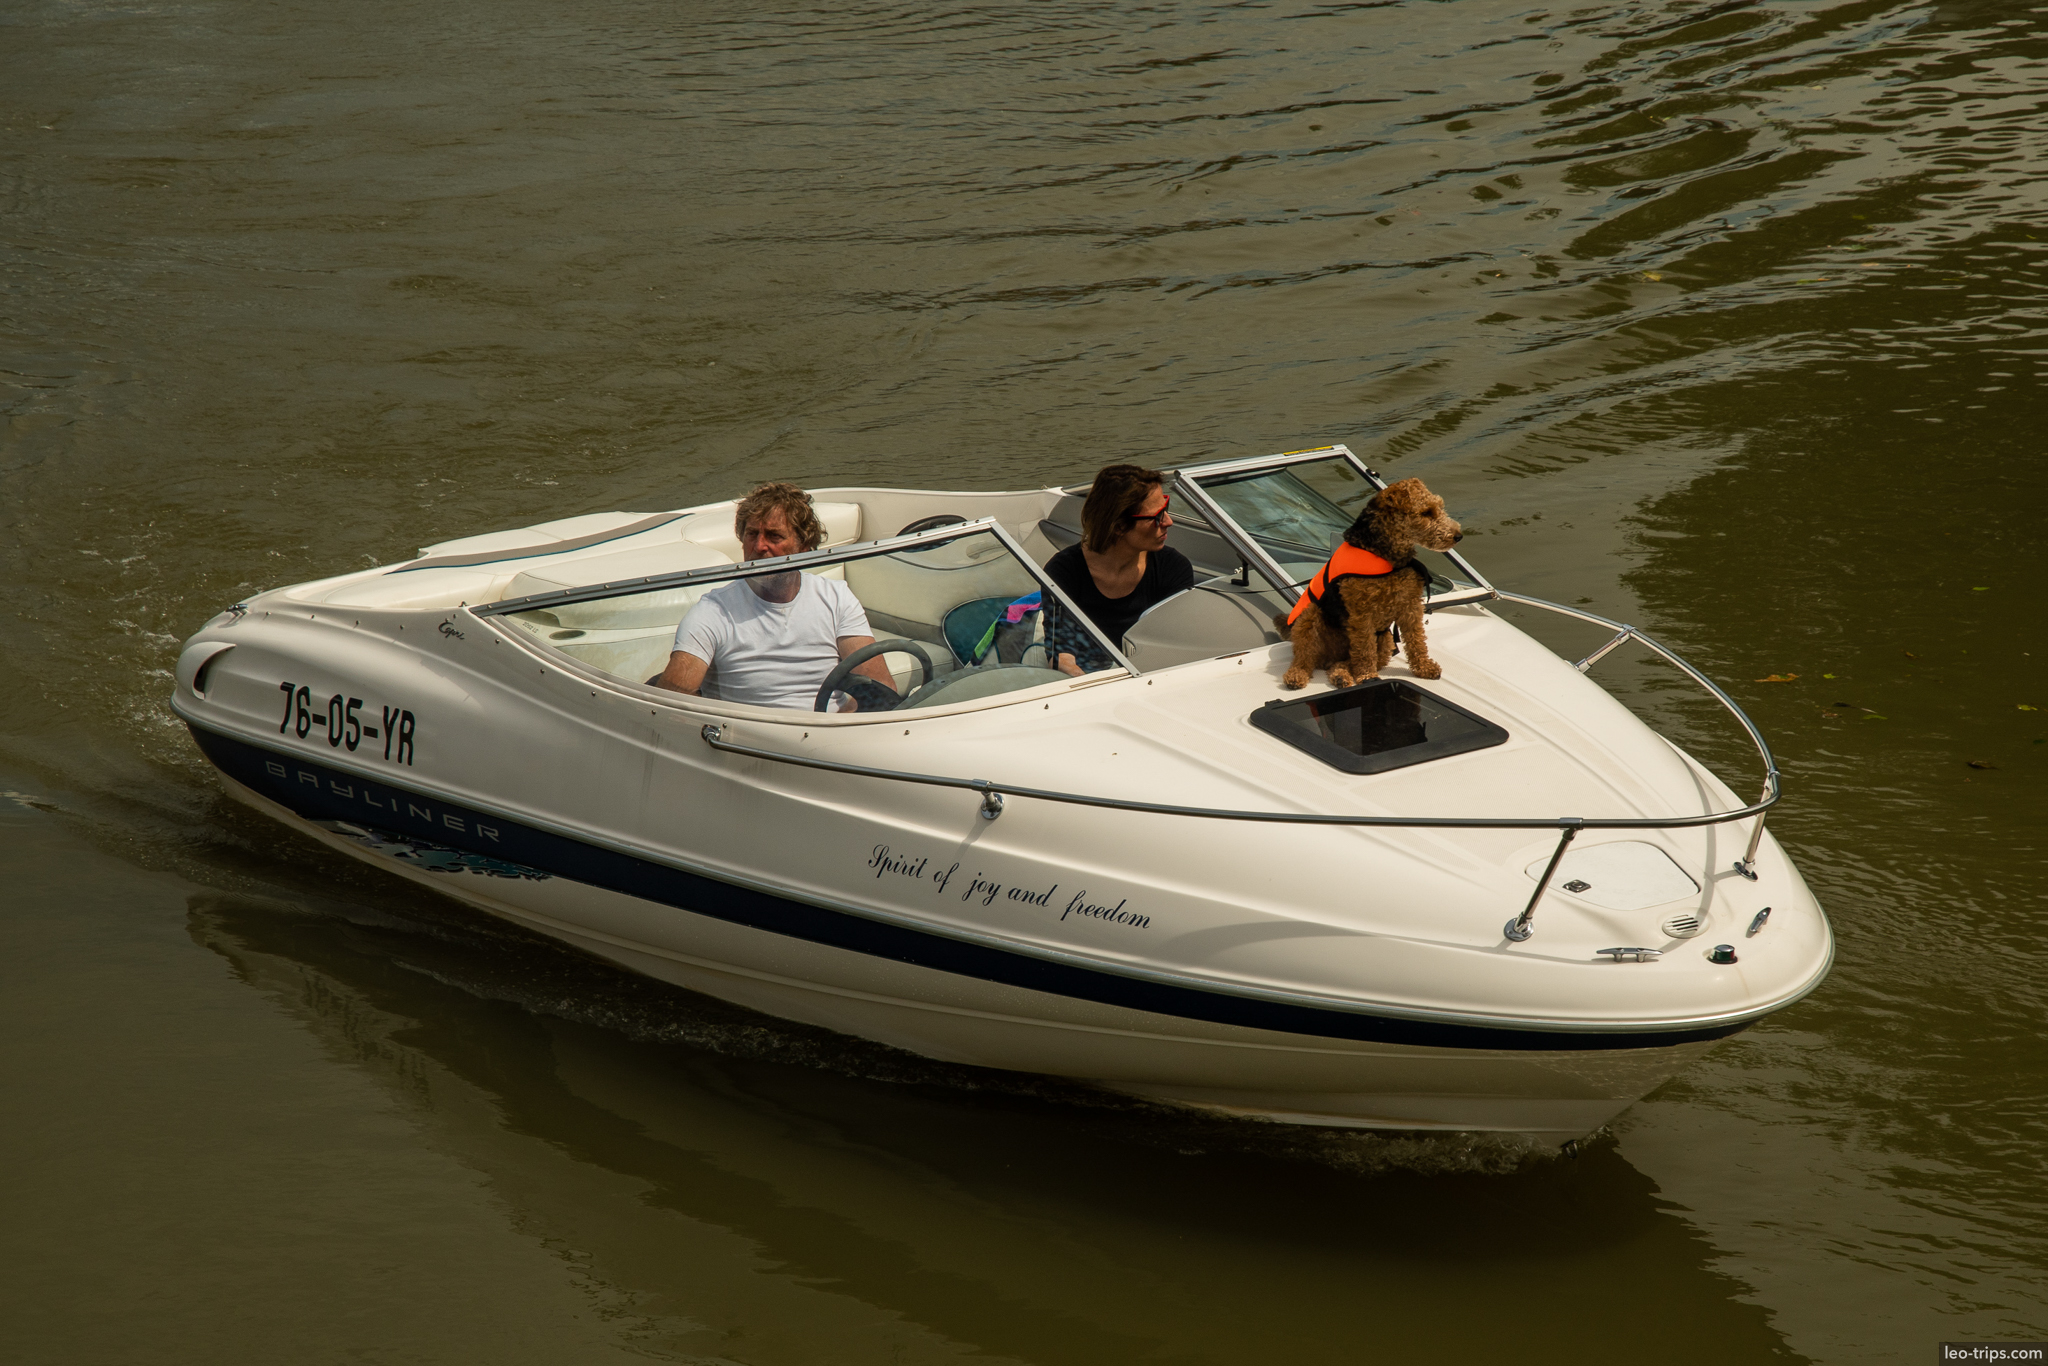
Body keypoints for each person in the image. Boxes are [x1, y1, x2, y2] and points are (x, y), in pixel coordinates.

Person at [652, 482, 898, 710]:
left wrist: (837, 729)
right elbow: (672, 702)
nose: (759, 547)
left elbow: (881, 689)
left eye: (774, 536)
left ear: (803, 548)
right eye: (751, 534)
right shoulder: (712, 612)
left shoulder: (837, 598)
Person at [1042, 464, 1195, 676]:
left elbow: (1176, 647)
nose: (1169, 521)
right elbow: (1062, 659)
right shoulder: (1063, 572)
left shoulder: (1173, 567)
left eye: (1166, 507)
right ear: (1119, 526)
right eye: (1157, 516)